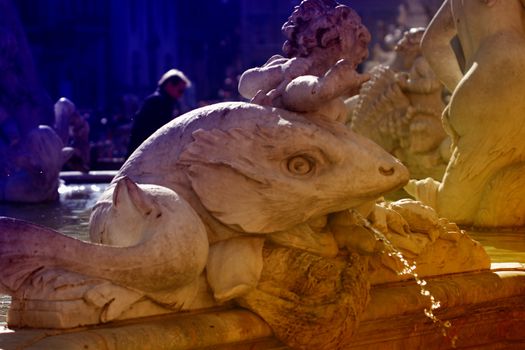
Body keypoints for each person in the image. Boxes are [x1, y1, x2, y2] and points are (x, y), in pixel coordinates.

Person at [408, 0, 525, 226]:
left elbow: (432, 43)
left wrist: (463, 91)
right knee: (463, 216)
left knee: (460, 212)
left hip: (475, 86)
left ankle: (430, 199)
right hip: (511, 72)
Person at [126, 69, 191, 157]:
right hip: (145, 155)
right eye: (180, 91)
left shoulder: (161, 101)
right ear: (169, 85)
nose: (181, 95)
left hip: (144, 153)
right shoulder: (158, 102)